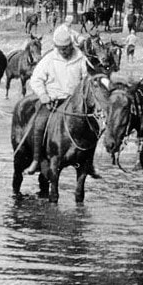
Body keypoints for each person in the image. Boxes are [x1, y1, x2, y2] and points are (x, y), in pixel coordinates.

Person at [24, 24, 90, 175]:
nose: (64, 51)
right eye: (60, 48)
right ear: (56, 47)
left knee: (91, 126)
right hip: (53, 101)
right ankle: (35, 159)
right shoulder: (49, 59)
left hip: (74, 103)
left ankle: (88, 163)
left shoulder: (80, 58)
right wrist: (43, 95)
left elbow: (87, 79)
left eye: (66, 48)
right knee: (40, 123)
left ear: (71, 45)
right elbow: (36, 79)